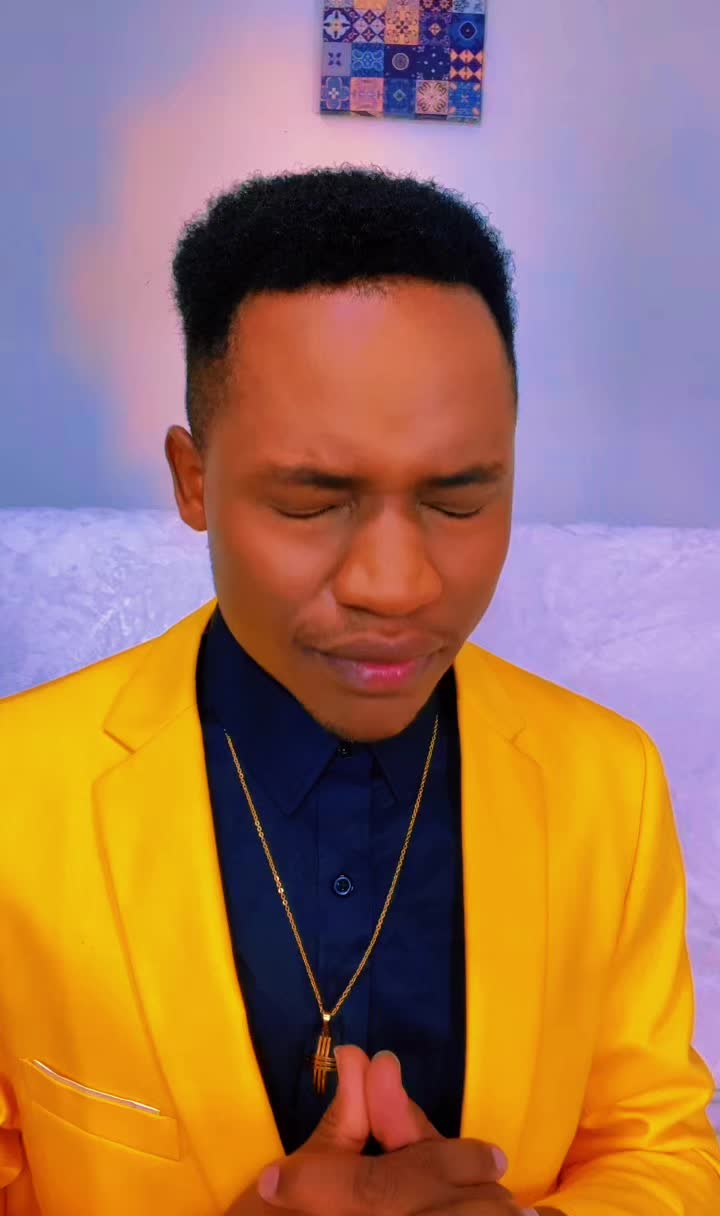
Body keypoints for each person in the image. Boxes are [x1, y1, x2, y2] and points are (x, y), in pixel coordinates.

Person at [0, 168, 718, 1216]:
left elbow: (661, 1144)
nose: (397, 585)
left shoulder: (609, 782)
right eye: (311, 502)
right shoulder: (17, 791)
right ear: (194, 481)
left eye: (459, 501)